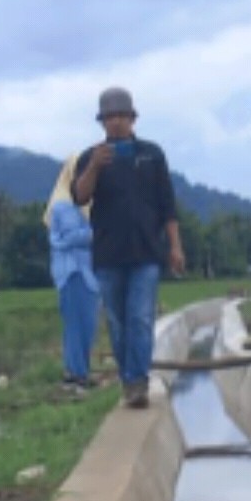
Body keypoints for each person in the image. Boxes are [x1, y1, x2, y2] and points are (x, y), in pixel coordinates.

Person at [73, 87, 186, 409]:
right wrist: (95, 166)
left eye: (122, 116)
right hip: (108, 255)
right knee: (117, 322)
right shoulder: (90, 157)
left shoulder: (152, 155)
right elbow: (80, 197)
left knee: (139, 318)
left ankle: (138, 382)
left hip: (147, 252)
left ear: (133, 118)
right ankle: (128, 378)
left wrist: (175, 247)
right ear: (102, 122)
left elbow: (167, 206)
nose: (117, 123)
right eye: (110, 117)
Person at [44, 151, 103, 393]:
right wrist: (98, 232)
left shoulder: (86, 206)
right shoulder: (63, 206)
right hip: (73, 272)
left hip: (87, 273)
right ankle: (75, 374)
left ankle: (80, 372)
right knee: (77, 325)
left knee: (87, 325)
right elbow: (69, 238)